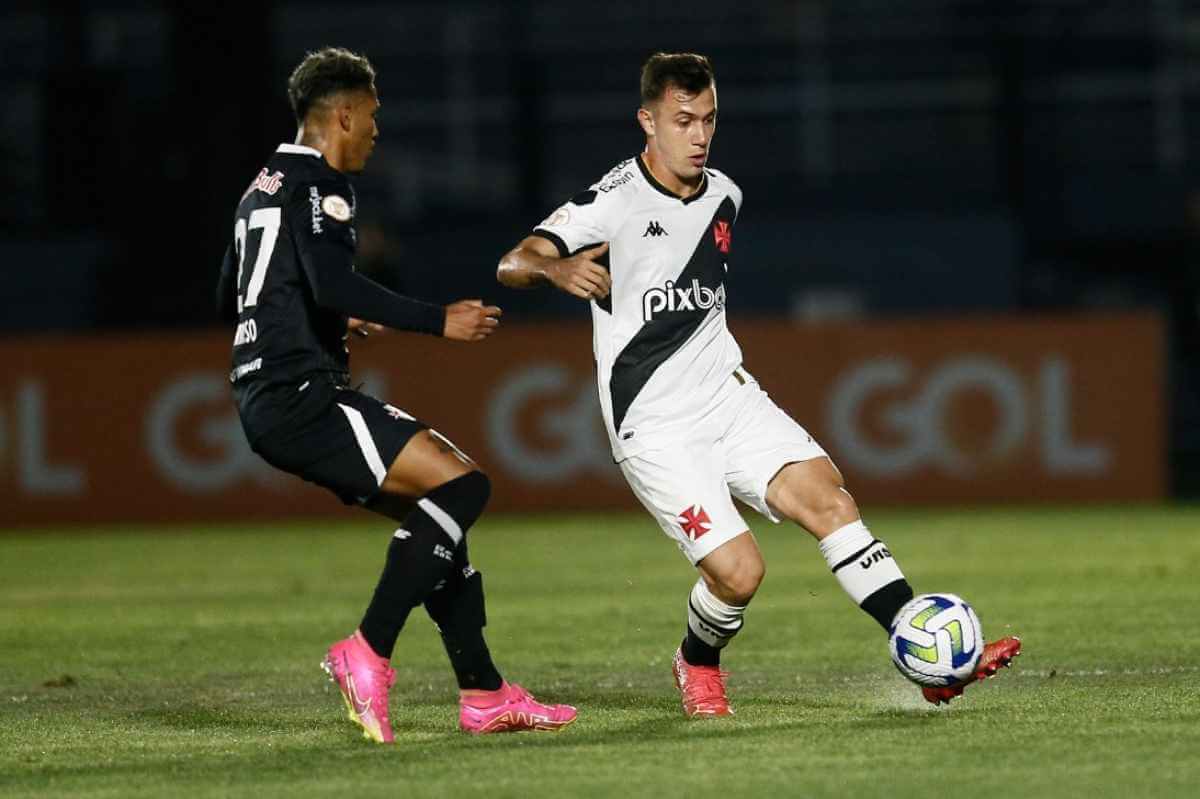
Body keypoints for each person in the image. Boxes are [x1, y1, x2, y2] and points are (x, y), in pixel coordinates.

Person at [497, 52, 1019, 716]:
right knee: (740, 572)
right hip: (655, 427)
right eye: (682, 120)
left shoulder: (724, 196)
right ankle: (697, 661)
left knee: (830, 501)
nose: (698, 135)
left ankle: (926, 655)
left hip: (729, 397)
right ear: (647, 121)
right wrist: (554, 271)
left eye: (708, 119)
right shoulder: (615, 201)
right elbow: (515, 259)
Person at [216, 47, 576, 742]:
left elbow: (232, 289)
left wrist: (327, 318)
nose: (377, 132)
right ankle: (368, 648)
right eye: (373, 117)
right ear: (343, 114)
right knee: (465, 486)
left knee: (436, 518)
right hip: (301, 389)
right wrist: (438, 319)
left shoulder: (259, 188)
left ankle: (484, 692)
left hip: (265, 392)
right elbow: (331, 282)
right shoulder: (323, 183)